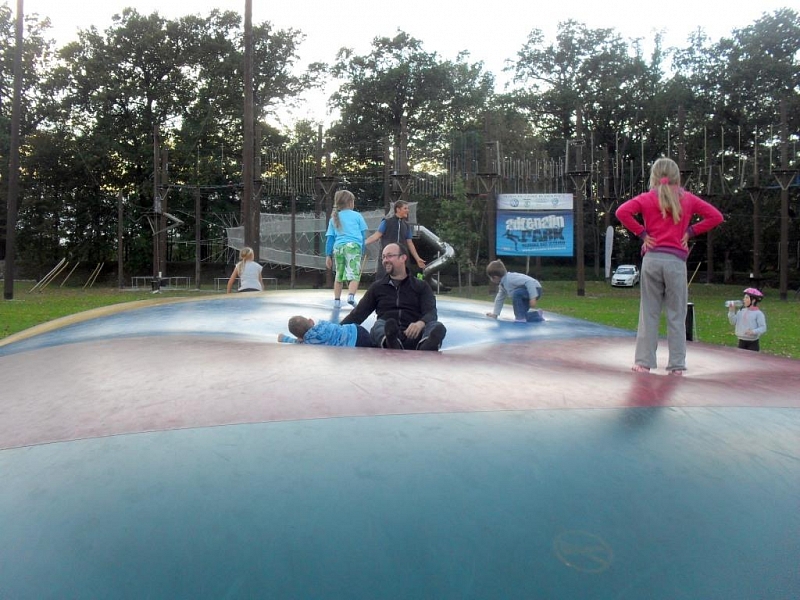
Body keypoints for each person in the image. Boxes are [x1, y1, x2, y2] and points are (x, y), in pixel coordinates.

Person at [616, 157, 724, 375]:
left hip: (652, 259)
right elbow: (716, 216)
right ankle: (676, 366)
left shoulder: (646, 198)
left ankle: (643, 362)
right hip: (676, 262)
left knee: (649, 312)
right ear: (678, 176)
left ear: (654, 176)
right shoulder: (688, 199)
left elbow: (622, 212)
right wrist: (691, 232)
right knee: (677, 314)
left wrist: (643, 234)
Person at [340, 243, 446, 351]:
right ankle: (390, 343)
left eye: (390, 256)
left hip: (414, 335)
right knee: (379, 325)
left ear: (403, 258)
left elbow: (431, 313)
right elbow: (358, 314)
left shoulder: (421, 286)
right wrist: (336, 329)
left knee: (436, 326)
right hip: (388, 333)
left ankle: (427, 345)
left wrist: (420, 324)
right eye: (383, 257)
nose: (385, 260)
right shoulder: (377, 287)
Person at [325, 190, 368, 308]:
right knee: (354, 273)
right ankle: (351, 296)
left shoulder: (334, 218)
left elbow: (330, 238)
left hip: (338, 248)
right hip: (353, 247)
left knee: (339, 274)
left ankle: (337, 301)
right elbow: (363, 235)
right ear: (350, 202)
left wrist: (328, 255)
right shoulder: (357, 216)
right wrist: (363, 249)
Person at [365, 200, 426, 280]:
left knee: (403, 280)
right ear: (398, 209)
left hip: (401, 258)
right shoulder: (386, 222)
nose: (408, 210)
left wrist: (417, 258)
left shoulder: (406, 226)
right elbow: (375, 236)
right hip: (387, 257)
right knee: (383, 281)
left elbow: (410, 243)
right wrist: (362, 243)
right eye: (405, 208)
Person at [277, 315, 373, 347]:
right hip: (356, 329)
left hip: (354, 343)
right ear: (311, 321)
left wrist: (284, 338)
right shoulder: (322, 324)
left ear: (299, 337)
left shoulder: (309, 342)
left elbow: (295, 342)